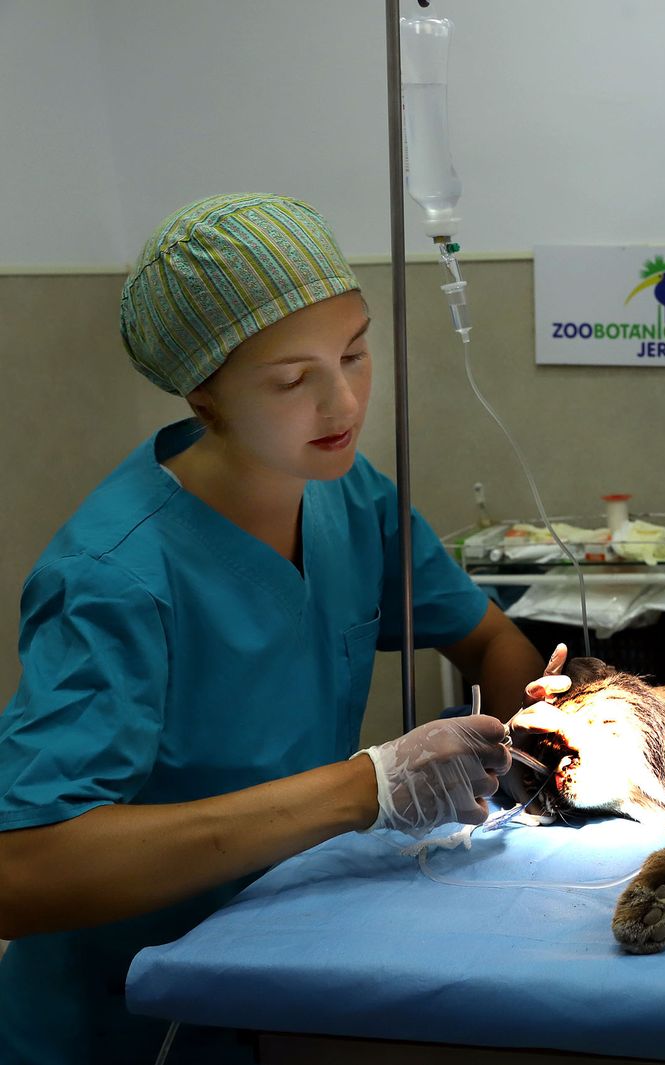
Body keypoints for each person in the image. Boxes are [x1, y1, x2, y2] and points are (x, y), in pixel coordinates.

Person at [0, 193, 564, 1064]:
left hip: (286, 963)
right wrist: (365, 788)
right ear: (205, 391)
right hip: (129, 1016)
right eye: (293, 379)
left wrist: (536, 738)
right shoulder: (114, 577)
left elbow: (488, 640)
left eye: (354, 352)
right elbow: (23, 871)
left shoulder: (351, 494)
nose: (343, 400)